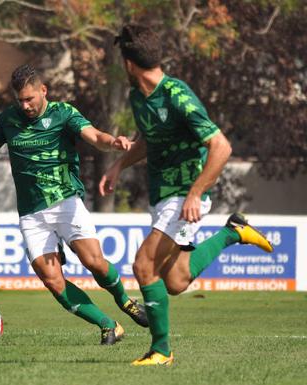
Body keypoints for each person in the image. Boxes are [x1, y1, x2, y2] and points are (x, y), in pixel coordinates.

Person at [0, 64, 149, 345]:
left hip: (65, 201)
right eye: (20, 100)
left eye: (30, 99)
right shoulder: (9, 119)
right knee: (52, 280)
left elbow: (95, 137)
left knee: (94, 262)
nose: (25, 105)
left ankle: (125, 301)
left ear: (43, 91)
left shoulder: (63, 113)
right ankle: (109, 325)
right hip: (31, 214)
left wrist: (115, 142)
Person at [101, 24, 273, 366]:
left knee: (143, 264)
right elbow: (151, 139)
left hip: (184, 194)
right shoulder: (139, 98)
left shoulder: (178, 95)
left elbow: (221, 146)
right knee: (176, 281)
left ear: (130, 64)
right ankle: (232, 232)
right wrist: (119, 164)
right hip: (162, 195)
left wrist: (196, 193)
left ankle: (161, 351)